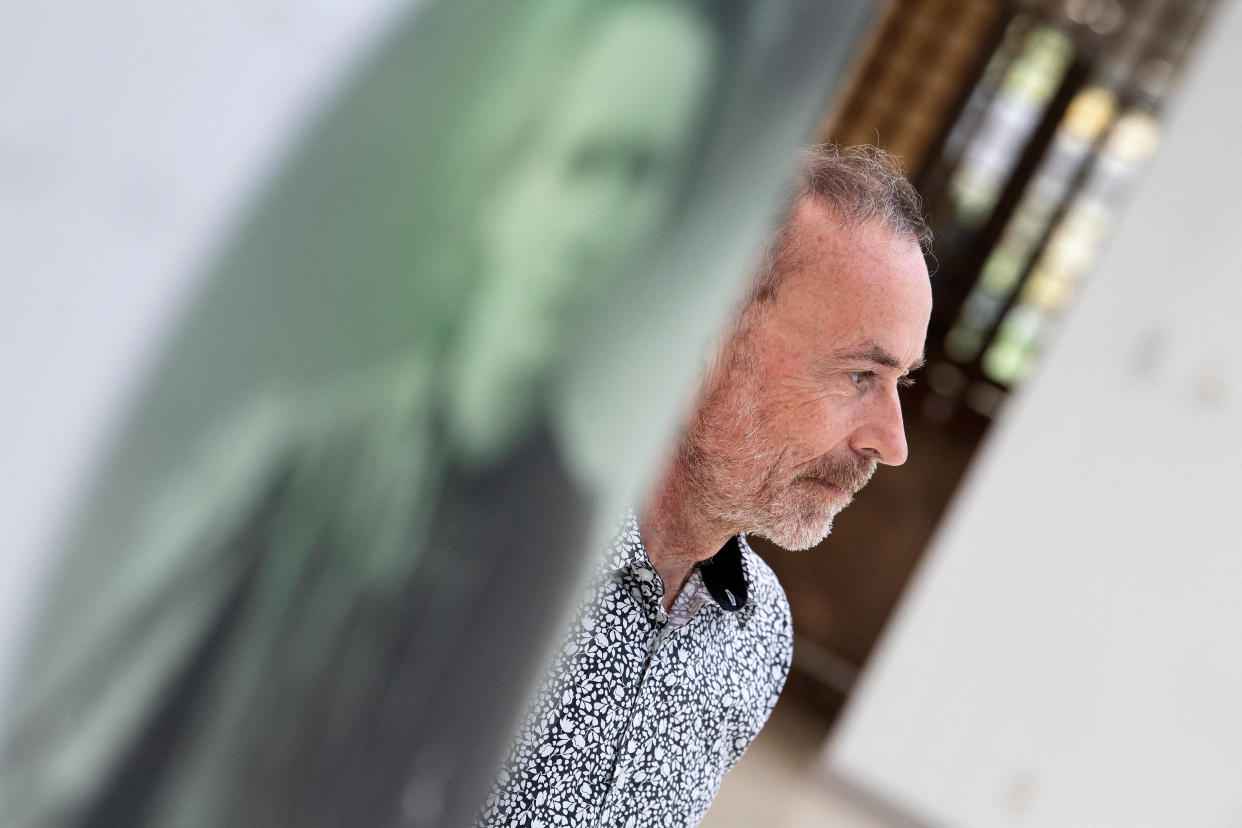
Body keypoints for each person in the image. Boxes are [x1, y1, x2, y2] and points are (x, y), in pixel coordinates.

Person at [478, 143, 934, 826]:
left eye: (901, 383)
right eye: (858, 376)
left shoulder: (758, 636)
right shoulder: (481, 544)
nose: (889, 443)